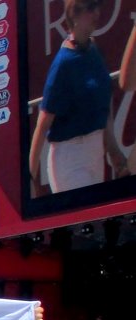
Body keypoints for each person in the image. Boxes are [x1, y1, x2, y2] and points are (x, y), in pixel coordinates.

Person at [29, 0, 126, 194]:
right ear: (74, 14)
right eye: (90, 8)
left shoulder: (93, 50)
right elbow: (43, 124)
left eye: (98, 7)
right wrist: (29, 179)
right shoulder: (63, 64)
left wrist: (113, 149)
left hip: (96, 153)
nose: (97, 13)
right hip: (69, 158)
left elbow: (102, 106)